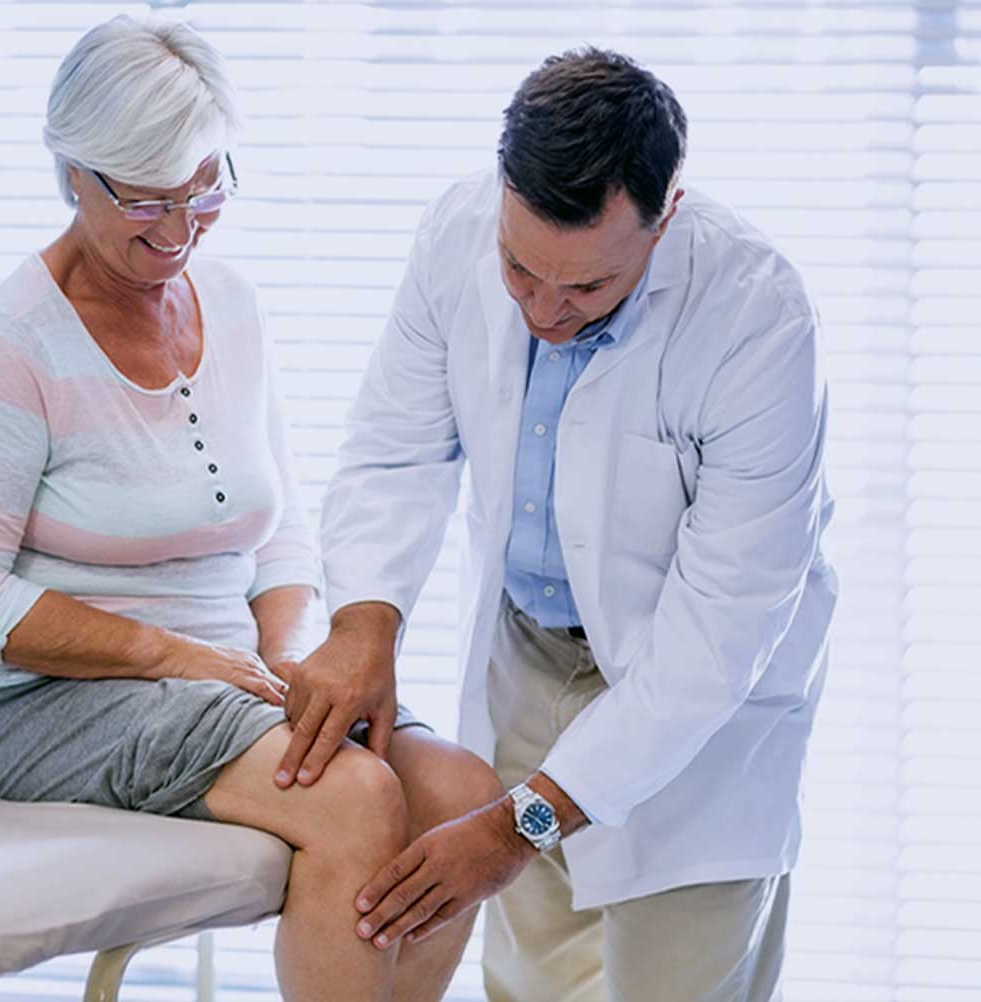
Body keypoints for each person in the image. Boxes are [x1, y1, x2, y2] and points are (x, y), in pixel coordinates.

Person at [0, 16, 502, 1002]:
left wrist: (291, 655)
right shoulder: (15, 343)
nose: (181, 232)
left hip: (227, 681)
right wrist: (179, 656)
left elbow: (277, 527)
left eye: (206, 190)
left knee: (458, 795)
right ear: (72, 173)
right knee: (354, 797)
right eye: (148, 203)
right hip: (28, 704)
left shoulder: (230, 305)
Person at [276, 48, 838, 1002]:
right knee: (532, 983)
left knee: (677, 982)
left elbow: (714, 641)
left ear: (666, 218)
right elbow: (395, 450)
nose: (543, 312)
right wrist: (364, 622)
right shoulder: (456, 233)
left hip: (697, 708)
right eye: (520, 270)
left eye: (586, 291)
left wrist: (508, 831)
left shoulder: (758, 321)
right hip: (526, 652)